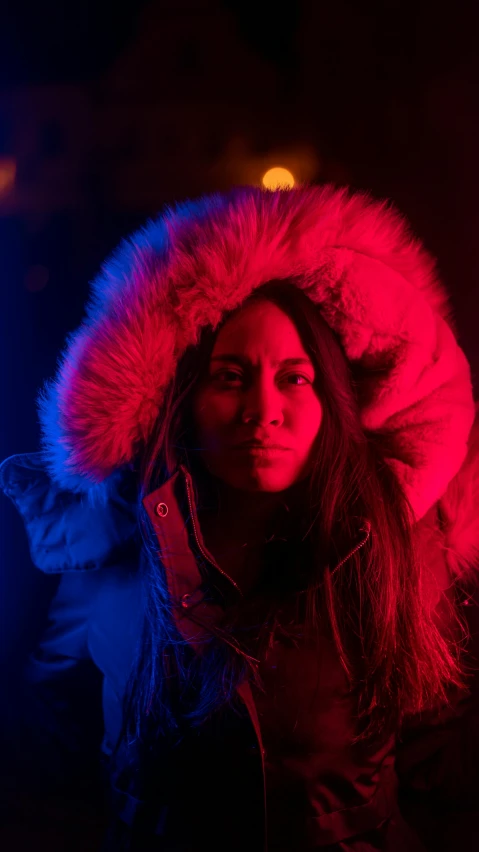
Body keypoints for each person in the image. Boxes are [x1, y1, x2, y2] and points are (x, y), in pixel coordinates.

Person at [1, 183, 478, 852]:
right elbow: (46, 760)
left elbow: (449, 775)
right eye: (230, 376)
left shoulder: (397, 556)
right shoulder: (108, 557)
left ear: (331, 399)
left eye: (294, 377)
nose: (263, 409)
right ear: (184, 400)